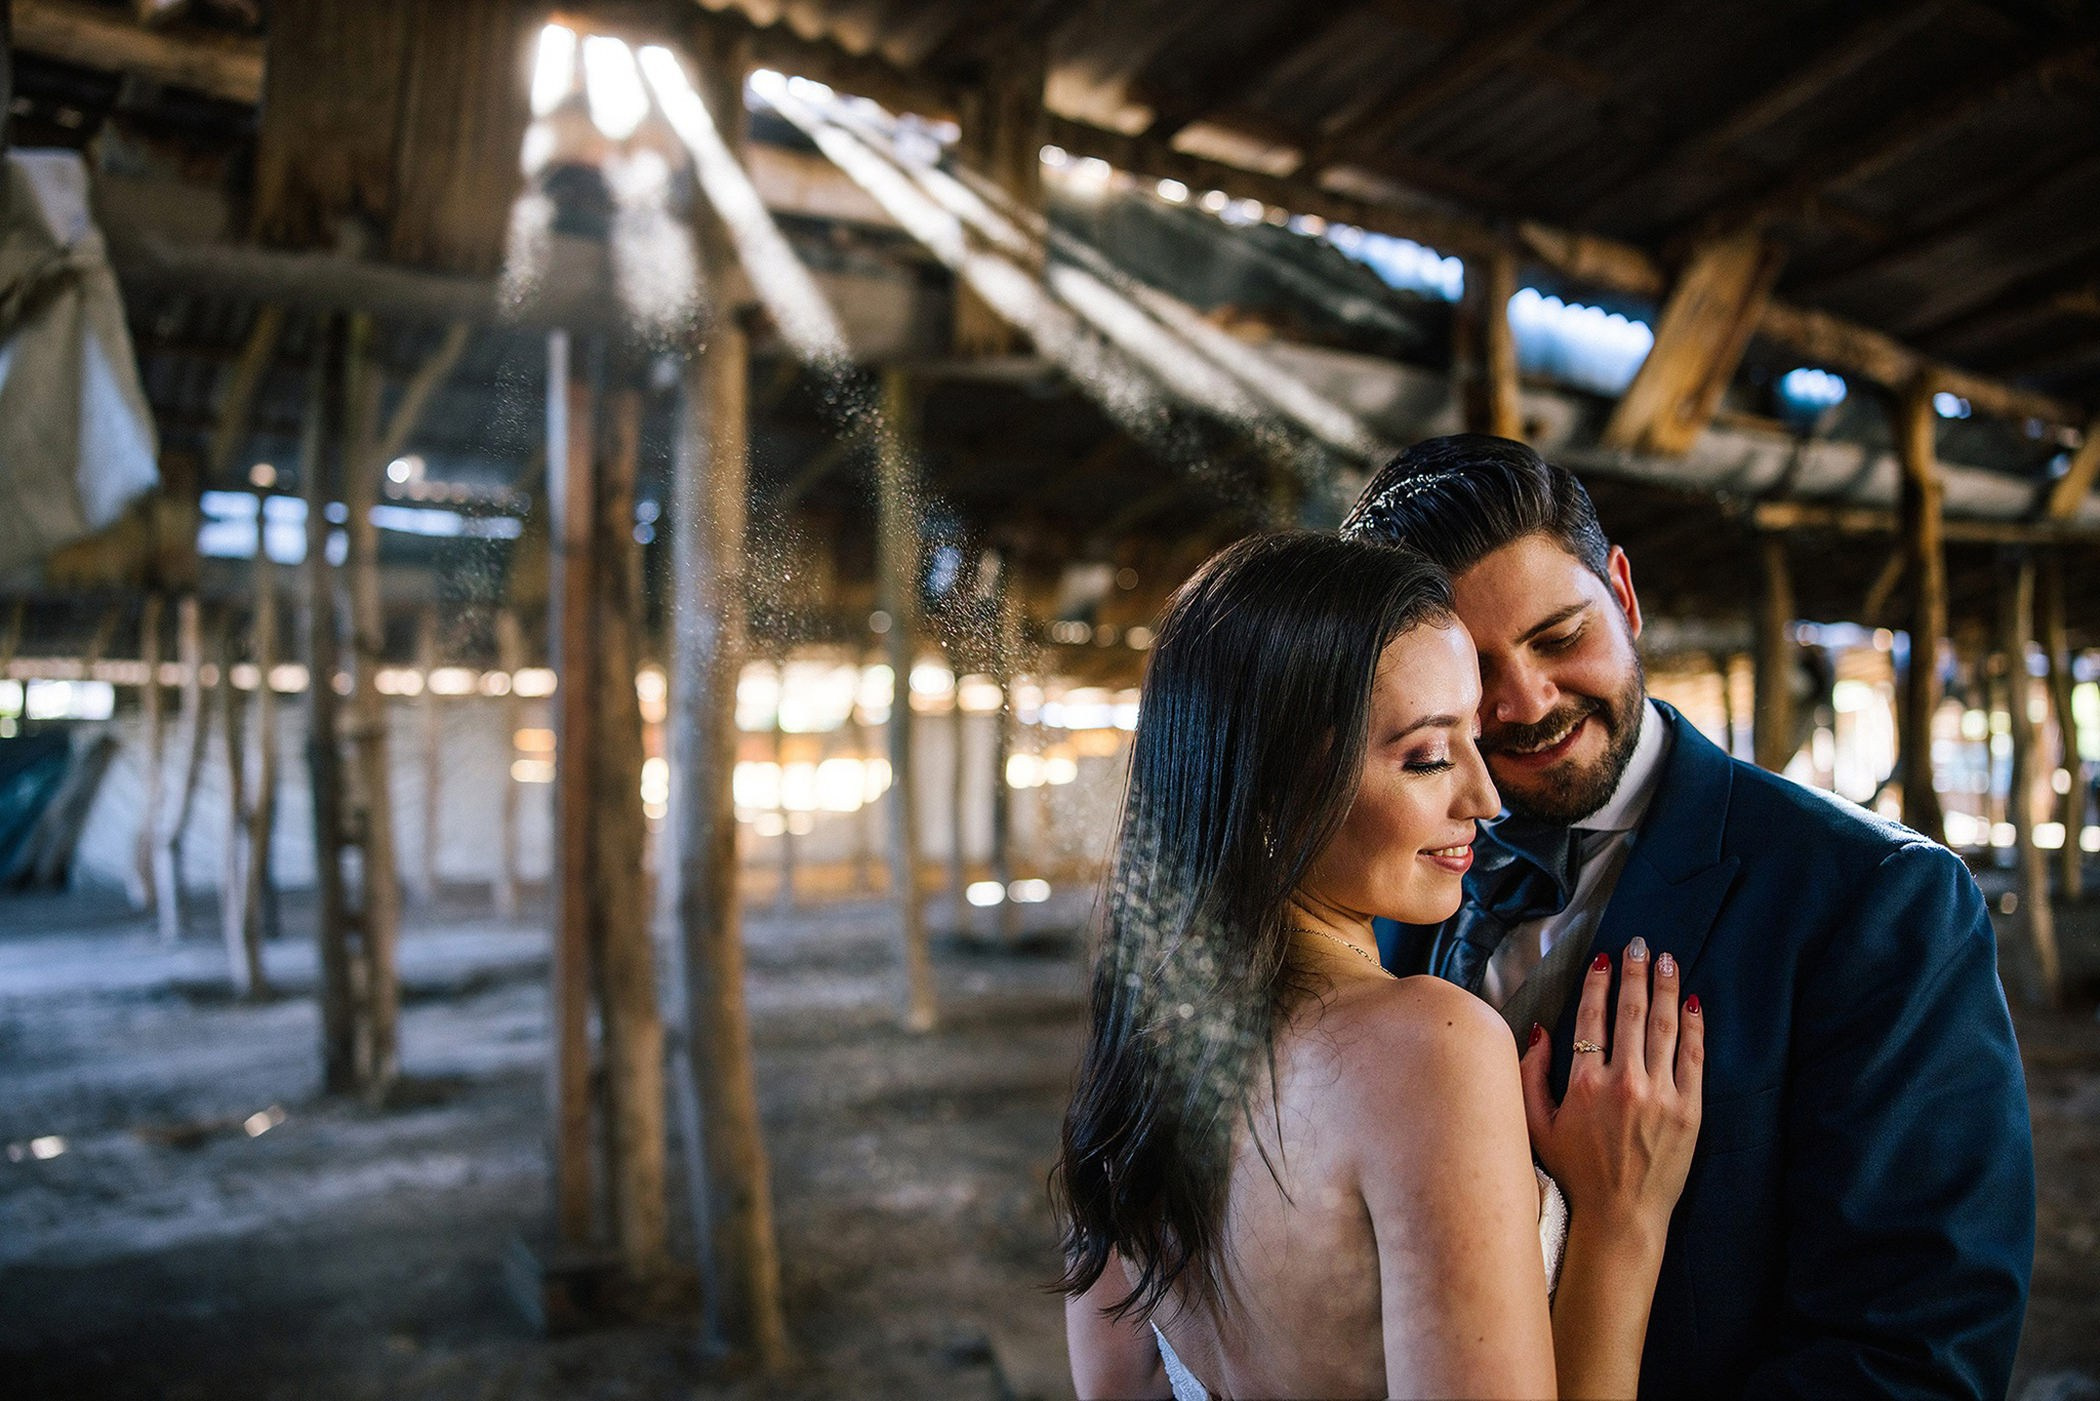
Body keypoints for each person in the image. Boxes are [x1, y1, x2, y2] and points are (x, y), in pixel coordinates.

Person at [1344, 435, 2035, 1399]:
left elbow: (1914, 1353)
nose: (1526, 701)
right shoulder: (1382, 889)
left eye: (1558, 636)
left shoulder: (1878, 898)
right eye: (1472, 671)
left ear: (1622, 594)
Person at [1056, 531, 1704, 1399]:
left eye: (1473, 740)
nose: (1485, 797)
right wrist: (1624, 1225)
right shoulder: (1429, 1047)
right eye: (1428, 756)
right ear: (1273, 789)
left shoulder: (1139, 1059)